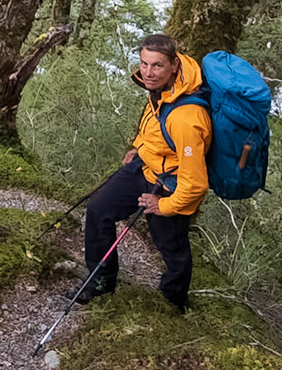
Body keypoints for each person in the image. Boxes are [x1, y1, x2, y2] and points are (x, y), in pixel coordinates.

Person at [73, 33, 209, 315]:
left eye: (156, 66)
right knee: (99, 209)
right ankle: (100, 282)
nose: (147, 72)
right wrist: (138, 147)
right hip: (145, 166)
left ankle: (173, 303)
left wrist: (164, 206)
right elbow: (154, 119)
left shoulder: (188, 118)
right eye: (144, 64)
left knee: (172, 248)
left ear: (174, 65)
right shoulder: (162, 88)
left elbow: (195, 184)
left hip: (171, 186)